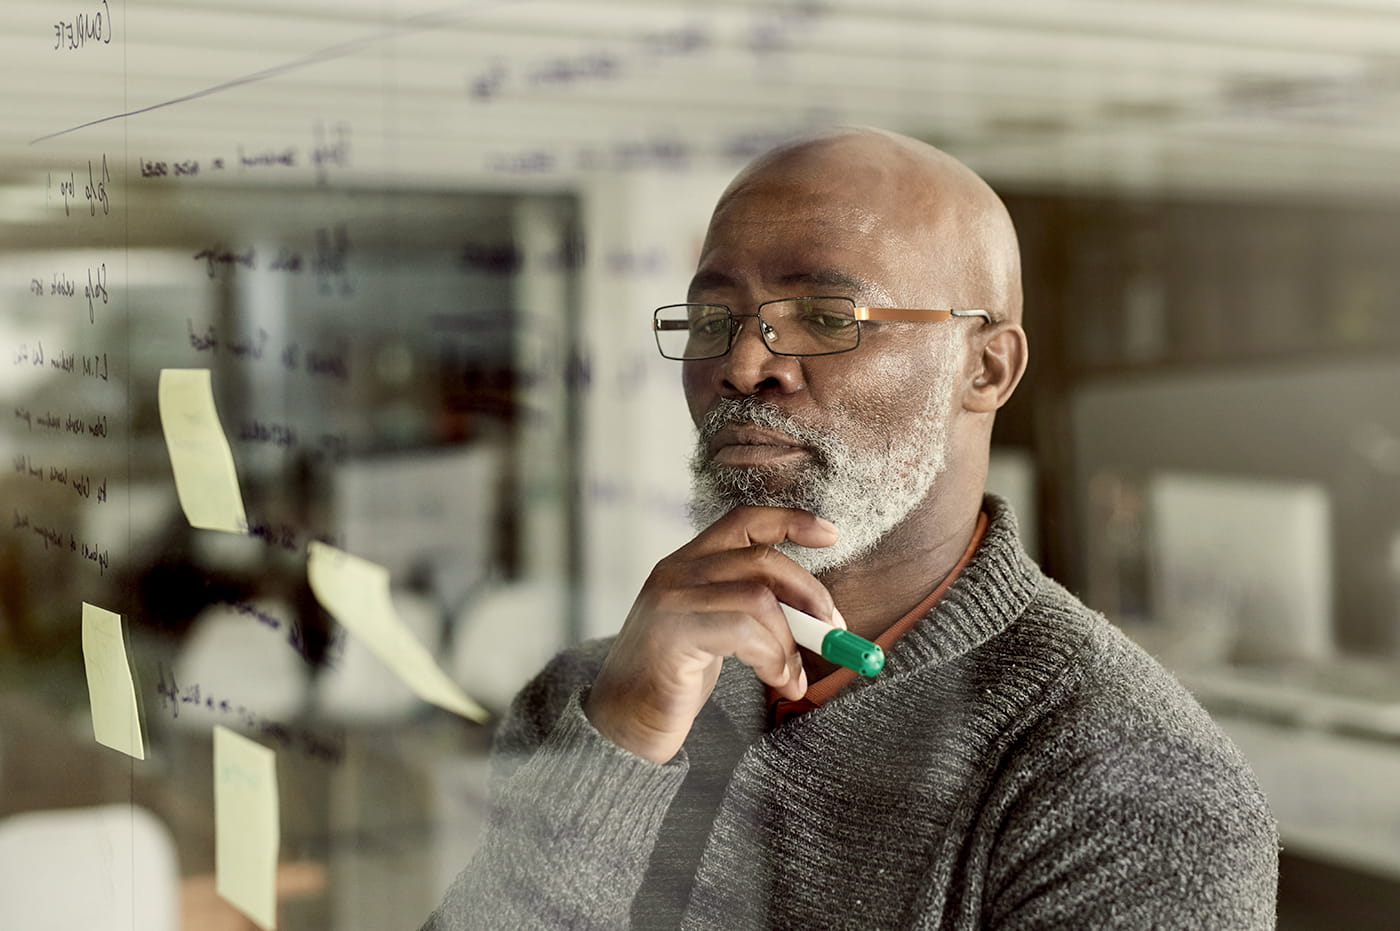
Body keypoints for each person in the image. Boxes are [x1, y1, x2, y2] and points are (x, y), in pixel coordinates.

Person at [423, 128, 1278, 929]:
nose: (744, 365)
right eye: (713, 320)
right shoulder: (590, 699)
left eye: (829, 319)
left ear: (986, 366)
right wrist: (620, 745)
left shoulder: (1135, 784)